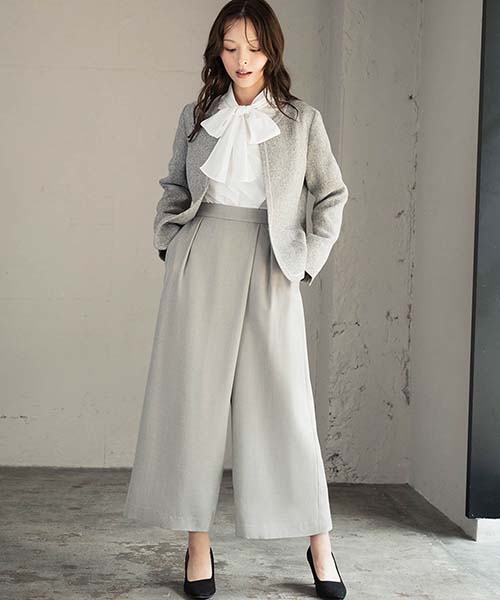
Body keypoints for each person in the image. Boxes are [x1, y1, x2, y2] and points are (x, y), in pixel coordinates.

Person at [123, 1, 349, 598]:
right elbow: (175, 185)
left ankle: (320, 546)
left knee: (286, 405)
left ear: (271, 49)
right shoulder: (198, 116)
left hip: (273, 259)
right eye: (229, 47)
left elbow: (331, 195)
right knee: (193, 402)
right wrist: (171, 241)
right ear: (216, 51)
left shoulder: (300, 121)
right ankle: (197, 545)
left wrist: (307, 259)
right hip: (203, 256)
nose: (241, 59)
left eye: (252, 46)